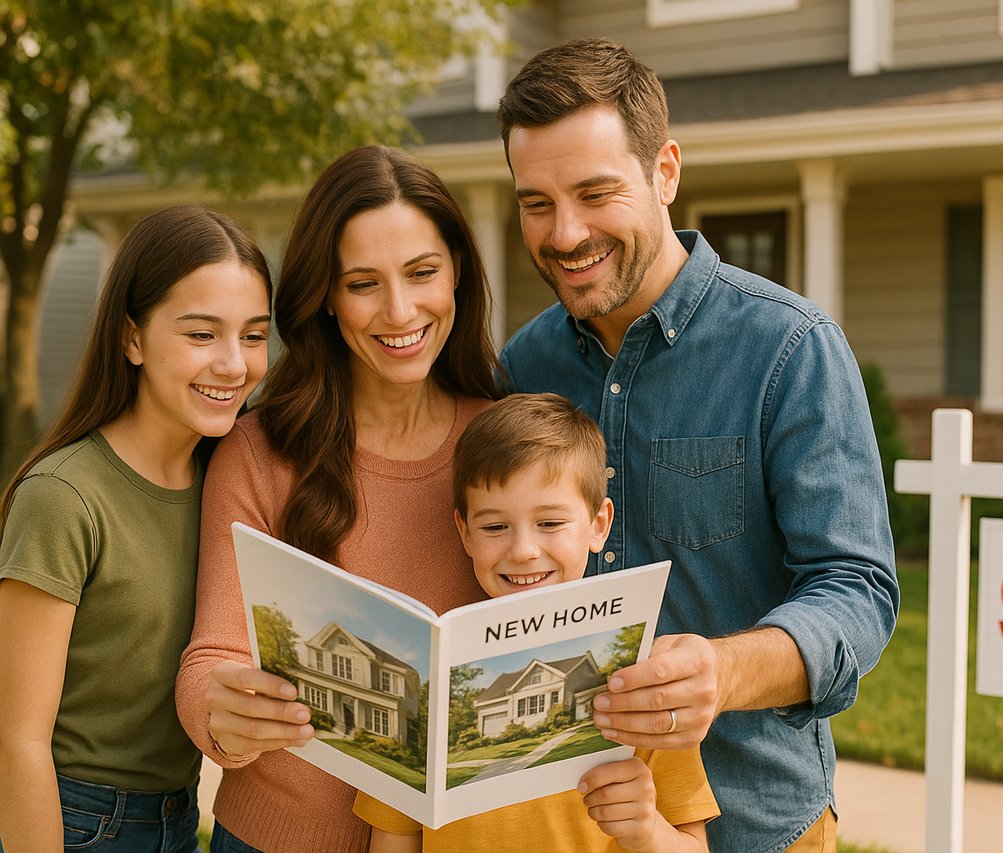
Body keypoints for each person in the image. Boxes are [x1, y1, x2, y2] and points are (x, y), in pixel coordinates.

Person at [495, 38, 900, 852]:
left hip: (754, 822)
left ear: (665, 172)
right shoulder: (523, 367)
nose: (565, 232)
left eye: (595, 192)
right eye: (536, 202)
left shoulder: (791, 348)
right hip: (559, 825)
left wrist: (722, 671)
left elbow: (858, 590)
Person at [174, 145, 501, 853]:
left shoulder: (506, 438)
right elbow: (210, 657)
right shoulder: (260, 451)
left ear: (458, 276)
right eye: (363, 283)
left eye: (422, 273)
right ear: (325, 292)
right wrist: (222, 707)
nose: (400, 309)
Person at [0, 206, 272, 852]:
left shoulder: (230, 481)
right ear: (133, 338)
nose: (234, 364)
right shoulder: (64, 498)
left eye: (255, 335)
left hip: (180, 820)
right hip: (74, 819)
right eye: (202, 335)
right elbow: (17, 740)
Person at [354, 392, 719, 853]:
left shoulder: (642, 680)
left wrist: (646, 829)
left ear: (598, 525)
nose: (523, 550)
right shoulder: (428, 680)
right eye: (493, 527)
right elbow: (393, 840)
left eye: (549, 523)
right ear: (464, 532)